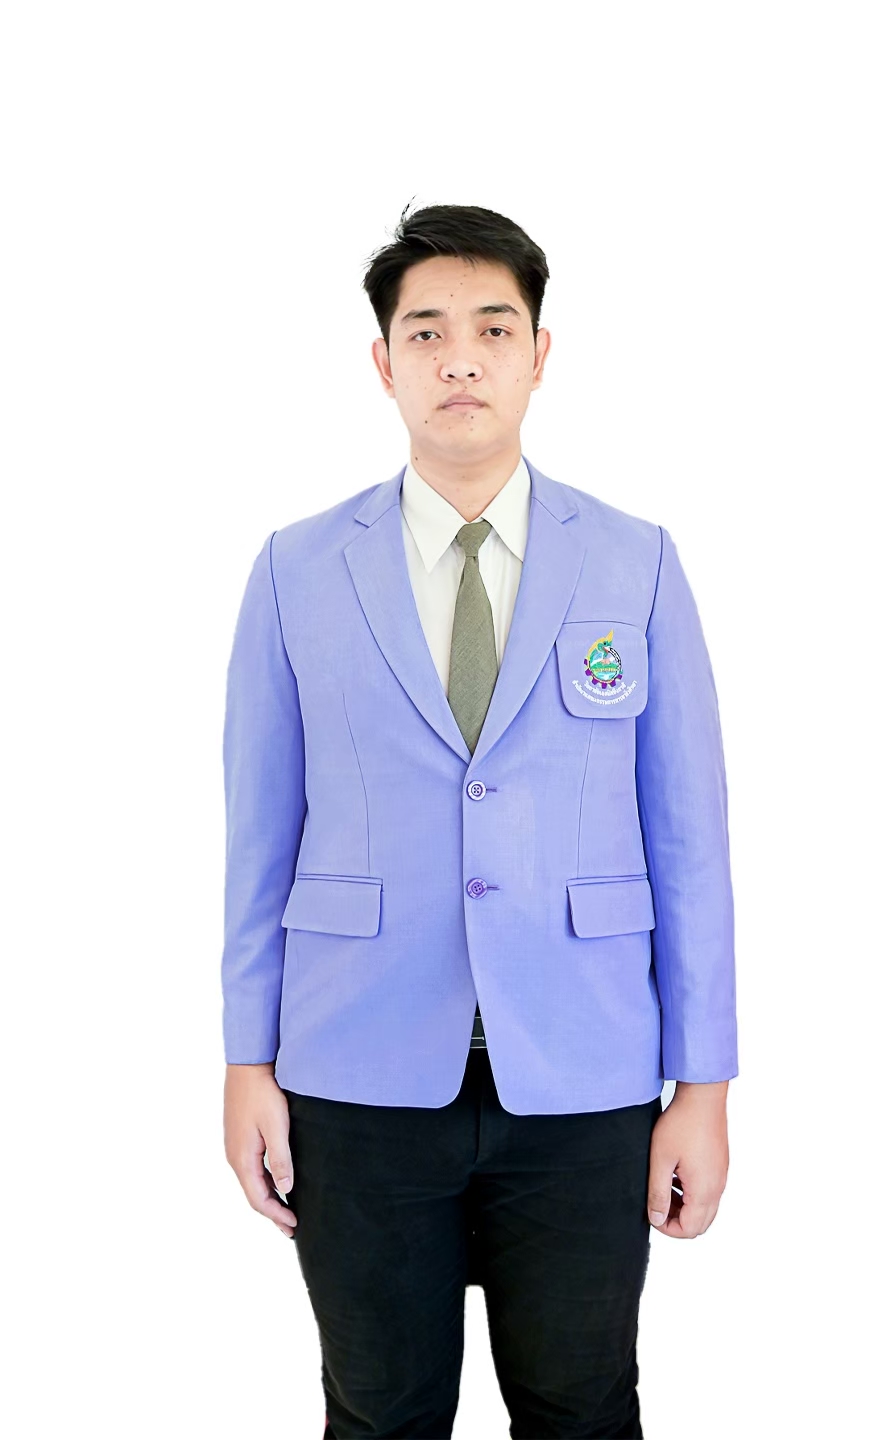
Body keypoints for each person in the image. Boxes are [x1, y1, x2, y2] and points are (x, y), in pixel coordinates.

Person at [221, 202, 739, 1439]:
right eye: (428, 332)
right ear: (384, 362)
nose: (461, 358)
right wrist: (246, 1060)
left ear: (539, 355)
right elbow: (258, 836)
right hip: (355, 1068)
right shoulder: (296, 568)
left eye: (494, 329)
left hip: (585, 1069)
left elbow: (690, 841)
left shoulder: (636, 562)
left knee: (582, 1405)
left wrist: (705, 1083)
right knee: (378, 1411)